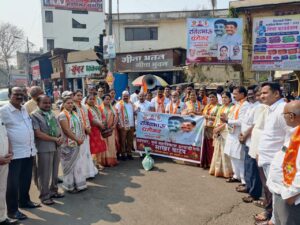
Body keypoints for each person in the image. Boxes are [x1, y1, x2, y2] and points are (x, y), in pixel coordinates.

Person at [0, 87, 40, 221]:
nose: (19, 96)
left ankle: (24, 201)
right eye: (16, 94)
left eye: (22, 94)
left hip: (28, 151)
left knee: (25, 179)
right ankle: (12, 210)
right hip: (15, 154)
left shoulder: (23, 109)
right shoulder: (3, 111)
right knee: (12, 183)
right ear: (10, 95)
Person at [255, 82, 291, 225]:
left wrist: (281, 157)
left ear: (276, 93)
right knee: (272, 191)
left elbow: (291, 136)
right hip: (267, 158)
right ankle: (274, 219)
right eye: (261, 93)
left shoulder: (282, 109)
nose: (261, 96)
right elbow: (270, 135)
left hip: (276, 160)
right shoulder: (271, 109)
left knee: (277, 193)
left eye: (265, 93)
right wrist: (260, 152)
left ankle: (276, 221)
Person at [267, 100, 300, 225]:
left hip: (291, 196)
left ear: (291, 116)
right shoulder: (295, 133)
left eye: (284, 114)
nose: (283, 117)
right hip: (282, 191)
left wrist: (289, 195)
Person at [31, 95, 64, 205]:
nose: (47, 105)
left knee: (55, 171)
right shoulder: (34, 116)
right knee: (44, 173)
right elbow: (38, 133)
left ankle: (53, 191)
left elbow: (58, 127)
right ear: (38, 103)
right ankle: (44, 196)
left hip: (56, 146)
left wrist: (61, 137)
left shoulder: (51, 114)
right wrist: (55, 138)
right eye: (44, 103)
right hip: (44, 147)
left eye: (49, 103)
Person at [238, 86, 263, 203]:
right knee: (247, 166)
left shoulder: (259, 107)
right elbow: (244, 122)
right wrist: (242, 135)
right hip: (246, 140)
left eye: (253, 93)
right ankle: (248, 186)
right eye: (249, 94)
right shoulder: (250, 106)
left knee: (253, 169)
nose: (251, 95)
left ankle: (254, 193)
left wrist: (245, 135)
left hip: (252, 140)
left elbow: (254, 125)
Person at [221, 86, 249, 186]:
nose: (233, 95)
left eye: (236, 94)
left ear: (242, 94)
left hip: (238, 134)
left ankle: (244, 180)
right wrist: (227, 119)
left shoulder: (245, 105)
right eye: (233, 93)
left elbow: (242, 121)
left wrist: (228, 120)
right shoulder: (236, 104)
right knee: (232, 155)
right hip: (231, 133)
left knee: (239, 157)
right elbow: (232, 117)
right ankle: (236, 176)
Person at [58, 96, 87, 193]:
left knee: (77, 165)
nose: (70, 105)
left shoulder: (74, 113)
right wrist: (77, 139)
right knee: (69, 166)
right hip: (67, 145)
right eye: (68, 103)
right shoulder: (62, 115)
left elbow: (80, 126)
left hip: (76, 143)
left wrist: (81, 137)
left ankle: (79, 184)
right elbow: (66, 130)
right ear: (63, 104)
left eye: (71, 103)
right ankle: (69, 186)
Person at [73, 90, 98, 179]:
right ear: (73, 96)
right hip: (77, 132)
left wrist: (88, 129)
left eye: (81, 95)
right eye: (77, 95)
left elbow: (86, 118)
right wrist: (85, 128)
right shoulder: (72, 107)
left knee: (86, 152)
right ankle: (81, 173)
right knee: (80, 153)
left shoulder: (83, 106)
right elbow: (76, 120)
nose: (79, 97)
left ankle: (89, 171)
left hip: (86, 132)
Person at [209, 92, 234, 178]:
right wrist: (215, 129)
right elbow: (217, 119)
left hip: (226, 131)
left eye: (226, 97)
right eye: (222, 97)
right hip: (218, 130)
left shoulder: (232, 108)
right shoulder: (221, 107)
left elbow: (230, 121)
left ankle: (227, 172)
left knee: (225, 152)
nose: (224, 99)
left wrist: (220, 128)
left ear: (230, 98)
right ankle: (217, 170)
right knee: (218, 151)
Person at [0, 117, 17, 225]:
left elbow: (5, 135)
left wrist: (10, 149)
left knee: (2, 189)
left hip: (4, 160)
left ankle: (2, 217)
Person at [85, 95, 107, 170]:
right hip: (92, 130)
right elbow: (91, 120)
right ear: (86, 100)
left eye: (93, 99)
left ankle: (98, 163)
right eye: (90, 99)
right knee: (93, 148)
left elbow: (103, 116)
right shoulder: (86, 108)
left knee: (99, 148)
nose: (92, 100)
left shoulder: (97, 107)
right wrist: (100, 124)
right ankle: (93, 164)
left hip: (99, 130)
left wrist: (103, 123)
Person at [98, 94, 119, 166]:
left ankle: (111, 161)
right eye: (106, 99)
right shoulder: (99, 108)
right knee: (104, 144)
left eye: (109, 99)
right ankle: (103, 162)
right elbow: (98, 118)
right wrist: (102, 126)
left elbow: (116, 118)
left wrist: (114, 126)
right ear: (103, 100)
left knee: (111, 145)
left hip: (111, 130)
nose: (108, 100)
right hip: (102, 130)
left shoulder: (113, 108)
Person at [201, 92, 219, 169]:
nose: (211, 98)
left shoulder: (219, 107)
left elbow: (218, 118)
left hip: (212, 129)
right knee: (205, 145)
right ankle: (205, 163)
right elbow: (202, 115)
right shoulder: (207, 106)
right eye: (210, 97)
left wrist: (208, 117)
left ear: (216, 98)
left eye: (213, 97)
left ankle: (212, 163)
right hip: (205, 128)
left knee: (211, 146)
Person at [115, 91, 135, 160]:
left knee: (130, 140)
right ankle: (123, 154)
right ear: (122, 96)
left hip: (131, 124)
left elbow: (134, 112)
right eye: (124, 96)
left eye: (127, 96)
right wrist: (119, 124)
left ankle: (129, 153)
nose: (126, 97)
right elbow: (116, 115)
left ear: (129, 96)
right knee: (122, 140)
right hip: (123, 125)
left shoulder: (131, 103)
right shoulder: (119, 104)